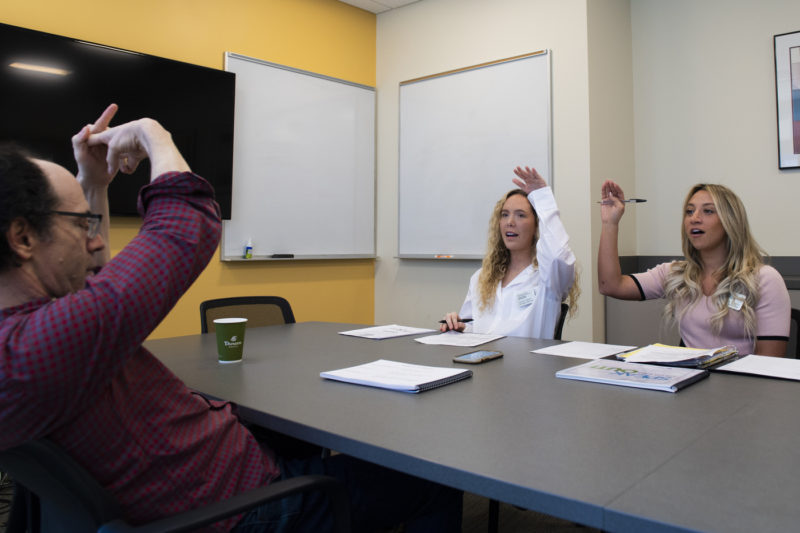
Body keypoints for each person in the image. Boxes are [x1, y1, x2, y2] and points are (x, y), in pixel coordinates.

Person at [0, 104, 462, 532]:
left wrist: (93, 183)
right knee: (436, 476)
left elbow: (92, 271)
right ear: (22, 236)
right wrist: (152, 133)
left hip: (210, 478)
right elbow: (186, 222)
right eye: (79, 224)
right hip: (241, 508)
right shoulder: (36, 349)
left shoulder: (32, 332)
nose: (96, 241)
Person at [598, 180, 790, 357]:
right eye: (689, 212)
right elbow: (610, 285)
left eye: (708, 211)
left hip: (740, 389)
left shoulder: (764, 279)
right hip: (690, 385)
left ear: (729, 221)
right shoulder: (676, 274)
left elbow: (770, 366)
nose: (694, 218)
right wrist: (610, 223)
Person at [441, 166, 578, 338]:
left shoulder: (548, 278)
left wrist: (542, 198)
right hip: (484, 361)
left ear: (537, 225)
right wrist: (459, 326)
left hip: (528, 363)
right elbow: (474, 326)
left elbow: (558, 256)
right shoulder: (481, 278)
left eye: (521, 215)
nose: (510, 222)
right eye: (505, 215)